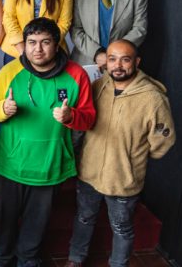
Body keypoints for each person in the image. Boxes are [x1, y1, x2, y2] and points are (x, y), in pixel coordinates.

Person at [0, 17, 96, 267]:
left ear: (57, 45)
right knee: (2, 230)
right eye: (32, 42)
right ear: (24, 44)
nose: (38, 49)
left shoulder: (77, 74)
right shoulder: (9, 71)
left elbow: (89, 119)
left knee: (35, 232)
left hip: (50, 167)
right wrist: (3, 109)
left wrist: (71, 117)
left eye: (45, 42)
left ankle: (28, 261)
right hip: (9, 166)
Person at [66, 40, 175, 267]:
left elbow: (163, 140)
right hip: (90, 171)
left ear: (137, 62)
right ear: (105, 62)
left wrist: (134, 157)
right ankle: (75, 259)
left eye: (125, 60)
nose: (117, 65)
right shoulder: (98, 87)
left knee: (121, 227)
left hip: (123, 177)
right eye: (112, 59)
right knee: (84, 217)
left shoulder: (152, 98)